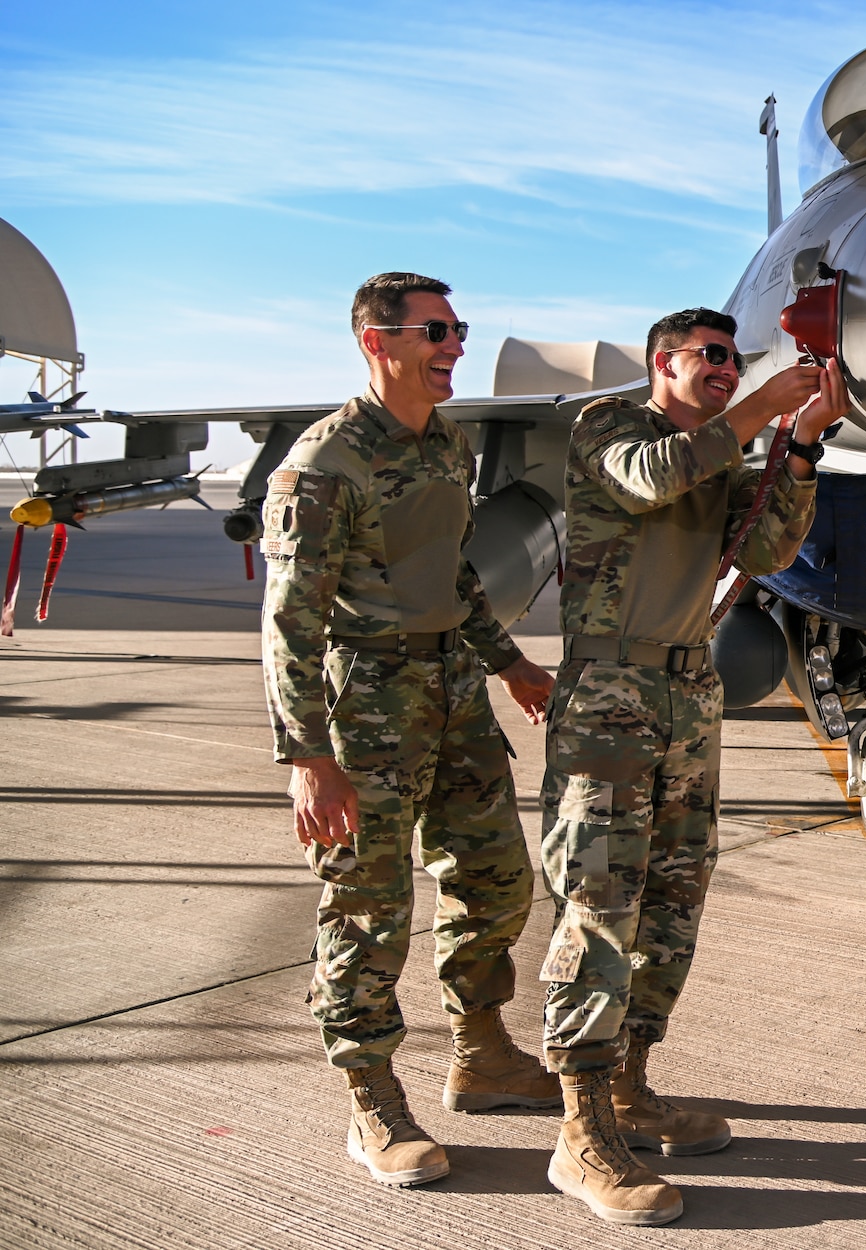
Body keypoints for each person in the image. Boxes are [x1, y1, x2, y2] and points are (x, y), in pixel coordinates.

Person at [537, 307, 846, 1225]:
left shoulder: (720, 456)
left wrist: (800, 450)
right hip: (610, 693)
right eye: (711, 357)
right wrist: (757, 412)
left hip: (686, 692)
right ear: (662, 364)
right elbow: (646, 481)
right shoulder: (613, 428)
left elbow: (763, 553)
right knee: (598, 905)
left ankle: (630, 1084)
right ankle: (580, 1128)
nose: (727, 368)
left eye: (734, 357)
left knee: (673, 900)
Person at [262, 272, 560, 1188]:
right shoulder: (325, 466)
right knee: (368, 908)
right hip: (365, 707)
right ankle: (372, 1099)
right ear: (376, 342)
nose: (455, 346)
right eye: (436, 331)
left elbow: (457, 574)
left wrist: (507, 662)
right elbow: (290, 621)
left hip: (453, 690)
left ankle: (481, 1054)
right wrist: (309, 757)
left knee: (498, 880)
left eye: (458, 329)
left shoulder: (448, 446)